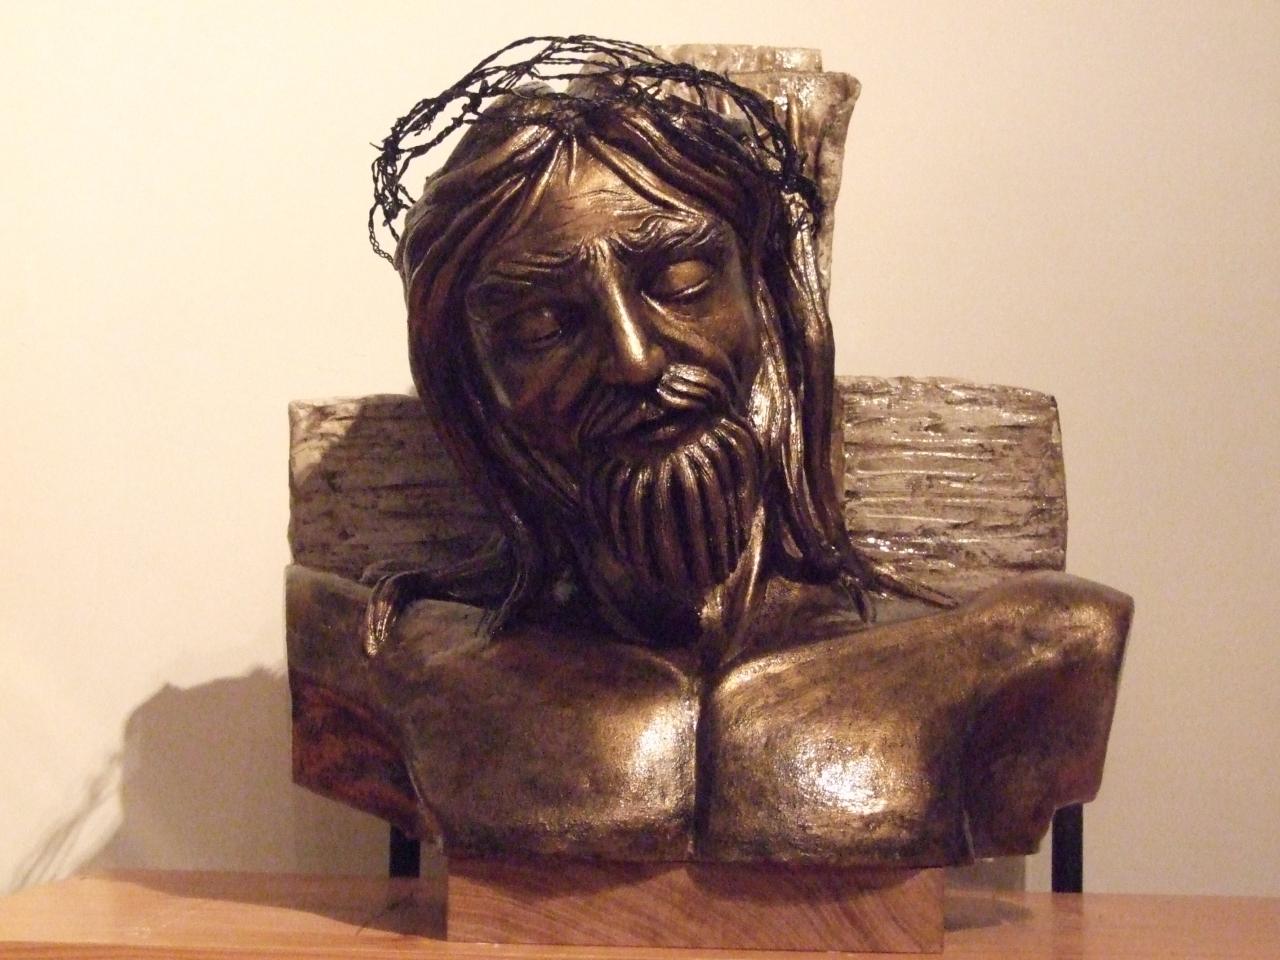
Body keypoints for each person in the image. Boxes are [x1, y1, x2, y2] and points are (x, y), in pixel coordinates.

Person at [289, 37, 1131, 866]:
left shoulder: (1037, 653)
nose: (633, 359)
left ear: (770, 296)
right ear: (474, 391)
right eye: (542, 326)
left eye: (682, 283)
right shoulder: (385, 667)